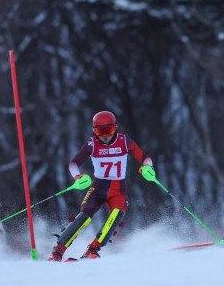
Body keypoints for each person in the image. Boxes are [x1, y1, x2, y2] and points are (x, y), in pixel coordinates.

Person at [48, 110, 154, 261]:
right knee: (85, 216)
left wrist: (147, 167)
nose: (105, 135)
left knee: (118, 213)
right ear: (94, 130)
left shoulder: (124, 141)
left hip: (118, 188)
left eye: (108, 130)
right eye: (100, 131)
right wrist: (78, 177)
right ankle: (58, 251)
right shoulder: (92, 144)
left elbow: (144, 157)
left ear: (115, 127)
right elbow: (74, 163)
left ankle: (93, 249)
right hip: (98, 187)